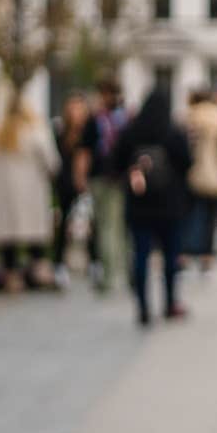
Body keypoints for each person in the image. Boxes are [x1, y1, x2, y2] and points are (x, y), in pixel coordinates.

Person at [111, 87, 192, 325]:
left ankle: (143, 307)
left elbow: (115, 163)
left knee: (141, 256)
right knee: (170, 256)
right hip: (169, 206)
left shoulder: (131, 132)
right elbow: (187, 163)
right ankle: (169, 303)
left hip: (139, 206)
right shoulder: (173, 133)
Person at [0, 93, 61, 292]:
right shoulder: (36, 131)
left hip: (4, 194)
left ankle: (11, 275)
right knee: (34, 237)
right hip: (31, 193)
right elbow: (52, 162)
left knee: (8, 240)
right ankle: (38, 272)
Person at [183, 87, 217, 274]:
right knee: (213, 215)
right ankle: (207, 253)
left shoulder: (190, 117)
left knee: (192, 212)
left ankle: (186, 251)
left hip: (194, 171)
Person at [85, 78, 130, 294]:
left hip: (103, 177)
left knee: (106, 227)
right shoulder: (126, 118)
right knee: (120, 226)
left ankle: (111, 276)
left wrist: (81, 177)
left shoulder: (97, 119)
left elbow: (85, 152)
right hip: (120, 178)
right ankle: (123, 272)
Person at [53, 91, 95, 284]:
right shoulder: (61, 132)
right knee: (64, 223)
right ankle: (59, 263)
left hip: (87, 182)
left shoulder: (90, 130)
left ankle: (94, 260)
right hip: (65, 183)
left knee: (92, 223)